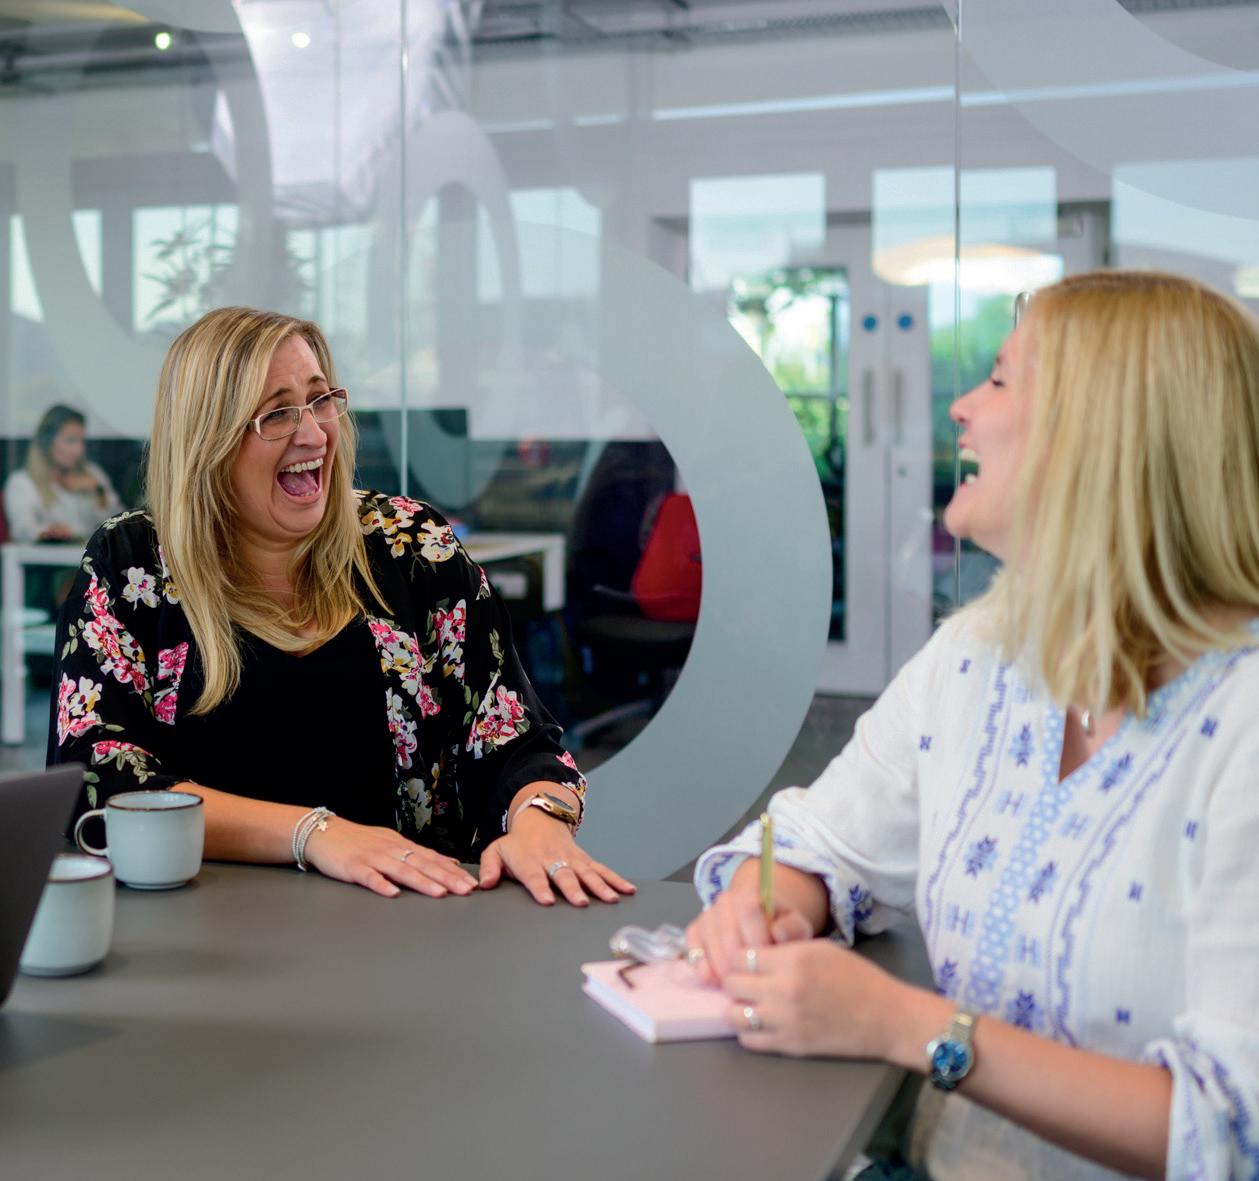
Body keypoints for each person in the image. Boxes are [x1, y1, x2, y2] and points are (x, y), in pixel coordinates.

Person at [685, 271, 1259, 1180]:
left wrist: (904, 1024)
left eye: (997, 379)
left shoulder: (1242, 722)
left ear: (1103, 434)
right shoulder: (978, 656)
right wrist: (768, 905)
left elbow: (1228, 1131)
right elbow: (816, 841)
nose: (959, 407)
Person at [48, 306, 634, 907]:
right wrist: (314, 835)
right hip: (201, 932)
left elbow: (515, 738)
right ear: (208, 441)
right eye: (277, 413)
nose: (314, 435)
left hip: (409, 925)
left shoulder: (411, 548)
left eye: (320, 400)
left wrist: (539, 821)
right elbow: (98, 778)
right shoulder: (133, 565)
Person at [4, 404, 122, 542]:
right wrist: (48, 532)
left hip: (93, 553)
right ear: (47, 442)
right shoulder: (22, 482)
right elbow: (22, 528)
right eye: (71, 441)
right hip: (46, 555)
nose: (79, 450)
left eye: (82, 441)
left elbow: (120, 523)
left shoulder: (93, 473)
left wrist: (98, 491)